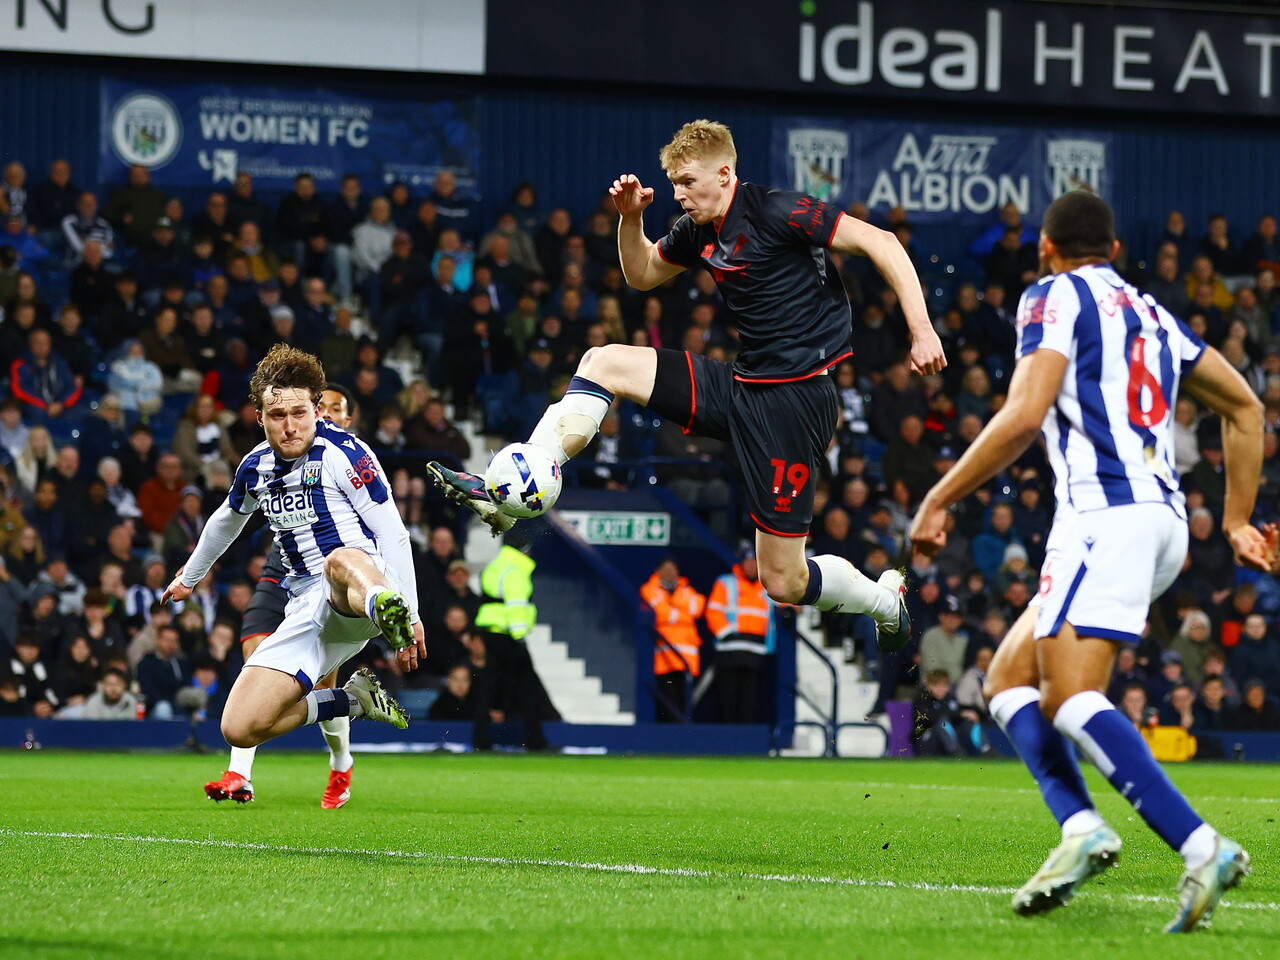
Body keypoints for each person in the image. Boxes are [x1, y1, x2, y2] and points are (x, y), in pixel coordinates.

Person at [429, 120, 944, 649]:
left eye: (687, 181)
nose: (678, 194)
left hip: (795, 400)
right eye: (673, 182)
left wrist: (921, 329)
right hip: (743, 384)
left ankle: (885, 602)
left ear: (724, 173)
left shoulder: (777, 209)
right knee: (602, 361)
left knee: (783, 580)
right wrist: (631, 219)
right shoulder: (697, 227)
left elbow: (880, 241)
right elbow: (642, 274)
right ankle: (521, 485)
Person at [909, 190, 1269, 932]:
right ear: (1115, 252)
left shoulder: (1051, 295)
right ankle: (1079, 828)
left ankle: (1201, 846)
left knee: (1071, 699)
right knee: (1008, 680)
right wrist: (1233, 520)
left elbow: (1023, 413)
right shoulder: (1154, 314)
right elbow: (1246, 410)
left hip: (1107, 515)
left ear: (1046, 249)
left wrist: (938, 498)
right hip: (1161, 520)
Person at [162, 345, 425, 797]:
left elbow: (394, 534)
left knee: (340, 559)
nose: (289, 426)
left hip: (356, 588)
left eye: (299, 412)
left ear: (317, 409)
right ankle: (351, 701)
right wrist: (190, 577)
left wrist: (412, 615)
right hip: (305, 606)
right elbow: (227, 520)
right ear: (259, 416)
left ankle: (388, 610)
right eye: (276, 414)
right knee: (240, 727)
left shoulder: (346, 452)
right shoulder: (255, 466)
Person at [200, 382, 381, 808]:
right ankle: (239, 774)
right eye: (324, 407)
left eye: (338, 408)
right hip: (285, 566)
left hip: (337, 575)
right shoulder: (280, 450)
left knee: (320, 681)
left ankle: (341, 761)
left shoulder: (351, 458)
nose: (328, 415)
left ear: (347, 419)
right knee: (258, 654)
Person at [705, 550, 776, 724]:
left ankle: (747, 741)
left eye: (754, 562)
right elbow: (713, 611)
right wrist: (726, 633)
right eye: (748, 562)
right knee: (727, 697)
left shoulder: (768, 586)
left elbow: (787, 602)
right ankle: (726, 739)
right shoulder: (726, 582)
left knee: (750, 699)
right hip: (729, 650)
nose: (751, 566)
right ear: (741, 564)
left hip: (755, 652)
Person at [641, 557, 706, 722]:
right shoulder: (649, 589)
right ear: (658, 571)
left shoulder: (686, 590)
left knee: (684, 700)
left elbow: (698, 608)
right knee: (666, 699)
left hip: (687, 657)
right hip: (664, 657)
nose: (670, 572)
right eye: (666, 568)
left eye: (673, 568)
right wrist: (683, 613)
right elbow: (660, 613)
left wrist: (673, 604)